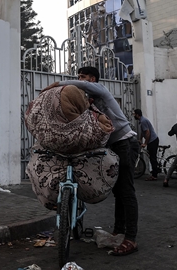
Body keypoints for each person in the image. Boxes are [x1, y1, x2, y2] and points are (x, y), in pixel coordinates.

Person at [59, 66, 140, 256]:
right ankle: (119, 231)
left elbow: (80, 85)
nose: (79, 79)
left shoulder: (101, 90)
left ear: (92, 79)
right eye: (78, 76)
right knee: (119, 192)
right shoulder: (89, 101)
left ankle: (131, 238)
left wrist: (57, 85)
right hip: (113, 146)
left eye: (83, 77)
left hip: (125, 143)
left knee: (126, 191)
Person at [134, 109, 160, 181]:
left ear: (137, 115)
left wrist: (145, 143)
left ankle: (154, 175)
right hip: (152, 141)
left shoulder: (143, 121)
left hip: (153, 140)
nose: (134, 116)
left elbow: (147, 133)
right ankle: (155, 169)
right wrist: (140, 139)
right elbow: (143, 132)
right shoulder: (142, 121)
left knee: (152, 158)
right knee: (152, 157)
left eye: (134, 114)